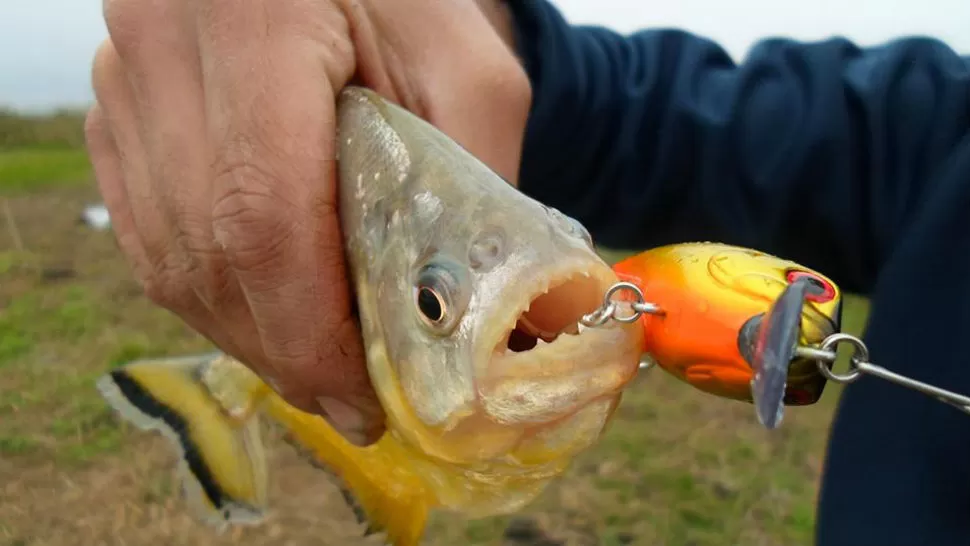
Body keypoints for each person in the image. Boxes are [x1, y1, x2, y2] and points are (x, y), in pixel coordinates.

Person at [85, 0, 969, 543]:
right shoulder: (935, 140)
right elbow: (659, 118)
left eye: (433, 302)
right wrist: (468, 27)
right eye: (434, 301)